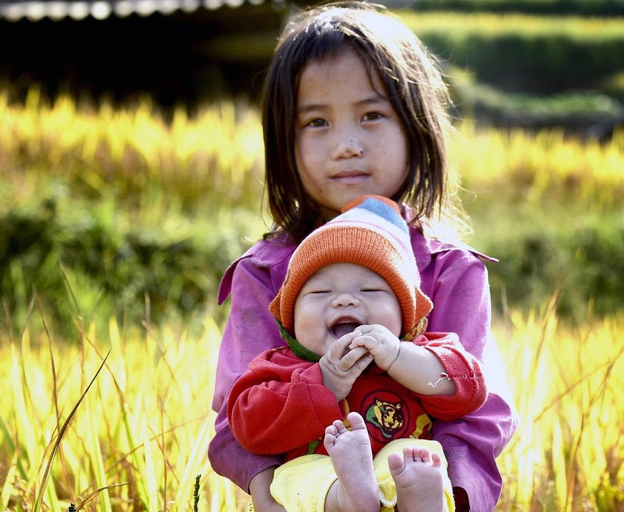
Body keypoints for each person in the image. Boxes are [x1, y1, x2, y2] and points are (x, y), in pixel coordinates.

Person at [208, 3, 518, 511]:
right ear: (284, 141)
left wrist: (454, 496)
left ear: (415, 127)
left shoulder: (449, 268)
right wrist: (266, 493)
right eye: (316, 122)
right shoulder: (263, 273)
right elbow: (237, 408)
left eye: (371, 115)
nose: (346, 145)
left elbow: (480, 409)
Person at [227, 195, 489, 512]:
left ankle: (420, 501)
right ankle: (347, 497)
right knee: (292, 479)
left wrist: (398, 358)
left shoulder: (420, 352)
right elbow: (248, 427)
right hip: (318, 469)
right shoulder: (281, 365)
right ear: (291, 320)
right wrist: (324, 382)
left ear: (405, 315)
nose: (344, 301)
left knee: (415, 458)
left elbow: (468, 387)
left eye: (370, 290)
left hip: (396, 463)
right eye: (321, 292)